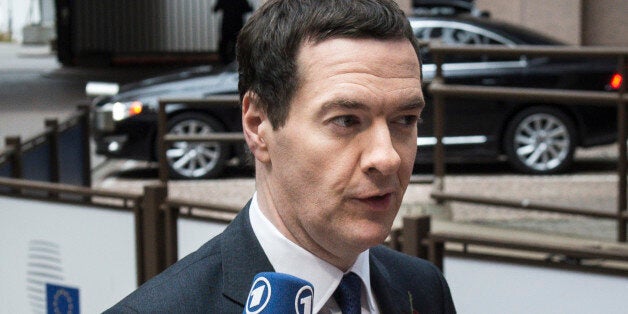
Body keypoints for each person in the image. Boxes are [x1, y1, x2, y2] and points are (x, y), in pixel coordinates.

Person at [105, 0, 456, 313]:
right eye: (346, 121)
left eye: (405, 120)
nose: (388, 157)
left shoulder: (423, 287)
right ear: (258, 125)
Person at [213, 0, 252, 64]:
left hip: (226, 24)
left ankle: (224, 60)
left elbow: (216, 9)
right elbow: (248, 9)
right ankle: (236, 59)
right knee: (237, 42)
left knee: (225, 42)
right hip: (237, 24)